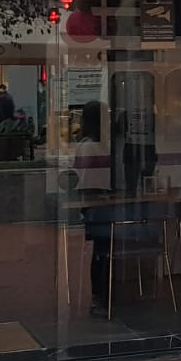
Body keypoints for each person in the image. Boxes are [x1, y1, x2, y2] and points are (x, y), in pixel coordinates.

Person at [72, 102, 110, 316]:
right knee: (102, 251)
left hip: (92, 206)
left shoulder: (85, 144)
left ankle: (99, 296)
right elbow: (89, 180)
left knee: (100, 250)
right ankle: (99, 296)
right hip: (97, 205)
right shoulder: (93, 147)